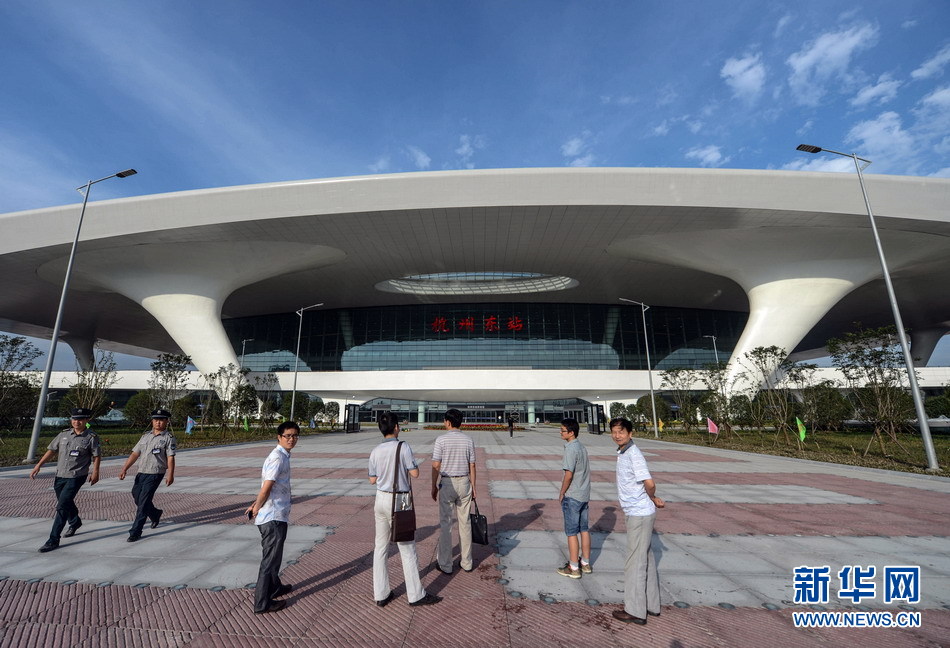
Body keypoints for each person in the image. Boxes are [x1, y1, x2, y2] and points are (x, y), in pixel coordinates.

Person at [368, 412, 441, 607]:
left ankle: (381, 594)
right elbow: (415, 473)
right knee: (407, 548)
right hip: (399, 500)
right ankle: (416, 595)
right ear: (396, 427)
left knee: (381, 547)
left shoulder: (375, 450)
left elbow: (372, 479)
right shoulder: (403, 446)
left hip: (380, 498)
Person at [609, 418, 665, 625]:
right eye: (614, 432)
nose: (617, 435)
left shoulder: (633, 454)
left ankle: (635, 610)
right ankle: (651, 605)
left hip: (639, 514)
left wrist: (651, 496)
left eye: (621, 432)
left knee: (635, 563)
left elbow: (649, 482)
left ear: (630, 433)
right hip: (639, 512)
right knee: (646, 560)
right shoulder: (623, 452)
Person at [245, 421, 299, 614]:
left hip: (277, 513)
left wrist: (254, 504)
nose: (291, 439)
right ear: (279, 437)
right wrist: (257, 507)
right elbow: (267, 486)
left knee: (274, 557)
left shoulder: (282, 455)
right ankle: (262, 603)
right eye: (287, 436)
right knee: (269, 560)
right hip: (273, 517)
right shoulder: (278, 458)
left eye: (294, 436)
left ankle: (275, 587)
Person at [30, 407, 101, 553]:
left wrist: (95, 472)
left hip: (76, 476)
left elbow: (96, 456)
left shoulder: (91, 437)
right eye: (74, 419)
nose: (77, 422)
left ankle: (53, 540)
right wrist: (38, 465)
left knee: (62, 506)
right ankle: (75, 522)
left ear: (87, 420)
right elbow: (51, 450)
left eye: (80, 419)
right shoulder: (63, 435)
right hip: (60, 475)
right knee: (65, 502)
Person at [119, 408, 176, 542]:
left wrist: (170, 474)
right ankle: (155, 514)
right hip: (142, 472)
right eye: (156, 420)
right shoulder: (145, 436)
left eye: (161, 420)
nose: (158, 423)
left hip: (156, 472)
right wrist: (125, 468)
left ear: (166, 421)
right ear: (152, 421)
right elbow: (135, 453)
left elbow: (171, 458)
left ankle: (136, 531)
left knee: (143, 502)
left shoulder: (169, 438)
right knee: (137, 496)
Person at [431, 408, 476, 574]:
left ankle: (445, 564)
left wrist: (433, 486)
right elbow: (472, 465)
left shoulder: (441, 440)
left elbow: (436, 465)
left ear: (448, 422)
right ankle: (467, 562)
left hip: (447, 483)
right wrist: (474, 486)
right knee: (465, 523)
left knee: (446, 524)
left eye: (444, 421)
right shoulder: (468, 440)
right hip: (464, 482)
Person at [555, 418, 592, 579]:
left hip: (573, 495)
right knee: (584, 530)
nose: (560, 433)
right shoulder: (582, 447)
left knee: (571, 532)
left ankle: (573, 567)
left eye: (563, 430)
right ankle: (585, 563)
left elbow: (568, 474)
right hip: (584, 495)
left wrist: (562, 491)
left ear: (571, 432)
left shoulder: (570, 449)